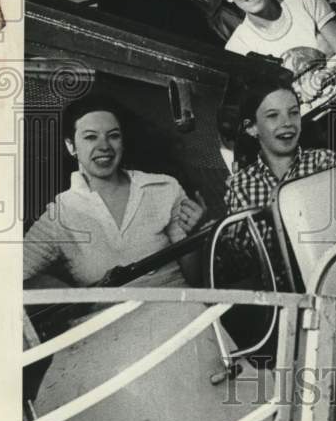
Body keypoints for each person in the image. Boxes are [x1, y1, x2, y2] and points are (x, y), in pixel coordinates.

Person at [23, 93, 206, 287]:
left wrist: (195, 235)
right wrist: (58, 290)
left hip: (182, 313)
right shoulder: (59, 215)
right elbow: (7, 276)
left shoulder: (164, 188)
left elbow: (196, 281)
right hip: (112, 318)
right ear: (71, 146)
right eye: (91, 137)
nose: (104, 146)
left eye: (113, 136)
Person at [221, 83, 336, 290]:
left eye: (293, 113)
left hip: (331, 276)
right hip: (281, 295)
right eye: (273, 115)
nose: (287, 123)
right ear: (252, 128)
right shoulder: (241, 185)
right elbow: (244, 264)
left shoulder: (324, 162)